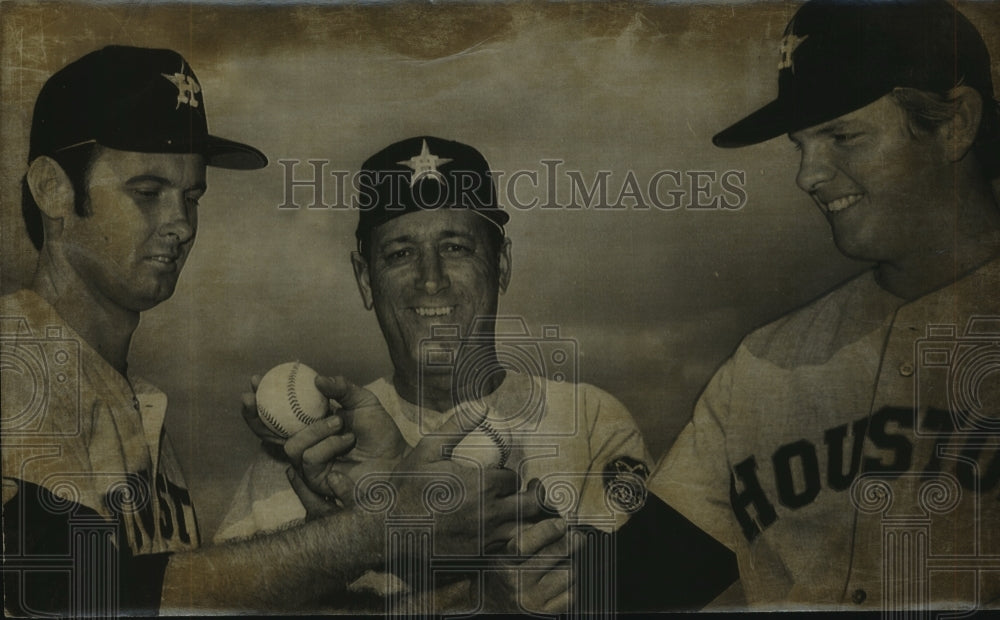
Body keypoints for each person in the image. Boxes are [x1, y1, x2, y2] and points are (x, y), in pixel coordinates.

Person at [0, 47, 536, 616]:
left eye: (192, 195)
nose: (181, 224)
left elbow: (159, 600)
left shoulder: (124, 393)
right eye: (147, 191)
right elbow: (56, 593)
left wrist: (398, 549)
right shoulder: (19, 365)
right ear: (52, 189)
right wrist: (371, 532)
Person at [633, 0, 1000, 611]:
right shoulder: (763, 365)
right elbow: (635, 586)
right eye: (801, 144)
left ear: (955, 124)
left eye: (841, 135)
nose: (808, 174)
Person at [217, 136, 653, 613]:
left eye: (456, 247)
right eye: (400, 254)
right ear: (366, 280)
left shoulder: (591, 421)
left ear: (502, 263)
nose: (431, 279)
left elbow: (645, 594)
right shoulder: (312, 455)